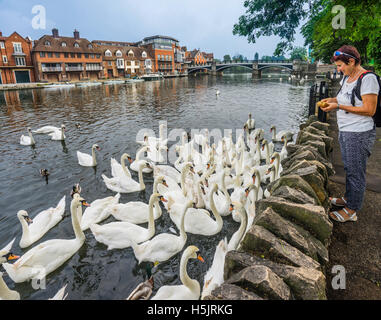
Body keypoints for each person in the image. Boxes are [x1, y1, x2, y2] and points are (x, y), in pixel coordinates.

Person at [319, 45, 379, 223]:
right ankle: (348, 198)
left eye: (340, 66)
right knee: (348, 168)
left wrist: (338, 106)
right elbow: (343, 98)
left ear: (351, 61)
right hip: (346, 130)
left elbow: (369, 109)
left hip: (359, 132)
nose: (338, 69)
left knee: (356, 171)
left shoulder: (368, 79)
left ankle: (352, 210)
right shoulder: (347, 78)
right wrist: (332, 100)